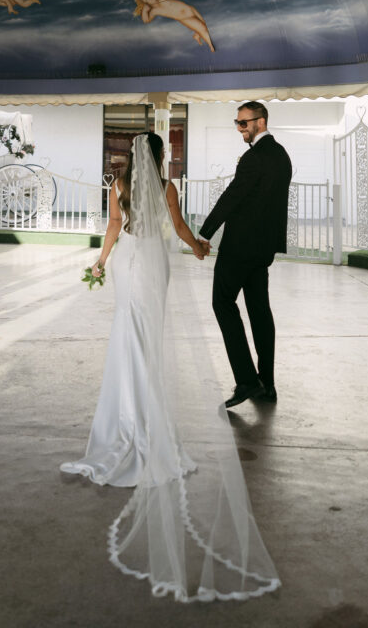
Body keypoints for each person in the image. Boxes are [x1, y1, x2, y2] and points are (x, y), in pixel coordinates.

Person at [61, 132, 280, 602]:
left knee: (127, 333)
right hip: (154, 264)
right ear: (160, 156)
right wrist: (200, 247)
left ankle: (124, 417)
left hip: (127, 263)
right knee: (147, 336)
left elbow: (114, 228)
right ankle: (145, 418)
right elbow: (178, 228)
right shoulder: (166, 187)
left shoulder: (117, 183)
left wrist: (101, 262)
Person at [199, 101, 292, 409]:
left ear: (260, 123)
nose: (239, 128)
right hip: (264, 249)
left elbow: (233, 197)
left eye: (243, 123)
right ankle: (267, 384)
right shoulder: (282, 156)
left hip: (239, 247)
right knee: (259, 311)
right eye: (237, 123)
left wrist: (205, 233)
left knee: (222, 302)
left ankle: (247, 380)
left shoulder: (254, 158)